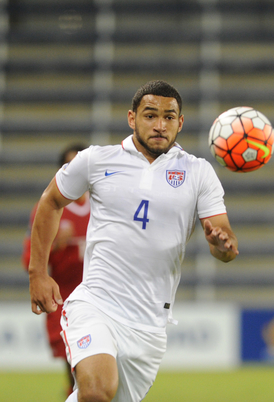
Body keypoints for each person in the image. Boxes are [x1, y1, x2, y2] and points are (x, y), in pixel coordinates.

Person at [28, 80, 239, 402]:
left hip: (149, 324)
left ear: (180, 122)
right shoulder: (96, 160)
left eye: (169, 117)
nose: (160, 125)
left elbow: (223, 242)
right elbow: (50, 201)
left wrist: (223, 245)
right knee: (96, 391)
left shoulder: (199, 173)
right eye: (150, 115)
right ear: (132, 118)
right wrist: (38, 273)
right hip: (96, 303)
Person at [22, 144, 90, 397]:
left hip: (103, 293)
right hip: (64, 297)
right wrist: (56, 243)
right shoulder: (49, 207)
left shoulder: (106, 203)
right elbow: (29, 260)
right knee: (74, 365)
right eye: (71, 166)